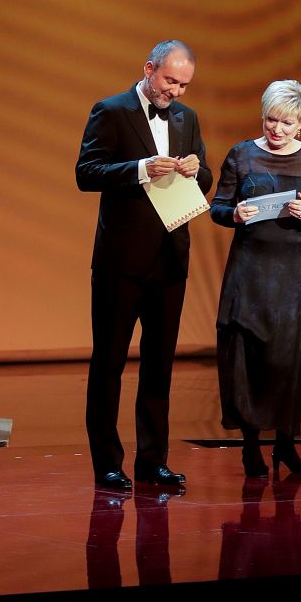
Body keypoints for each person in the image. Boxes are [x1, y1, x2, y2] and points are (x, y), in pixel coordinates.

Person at [75, 40, 211, 492]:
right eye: (170, 81)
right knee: (109, 363)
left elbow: (205, 177)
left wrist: (197, 170)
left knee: (159, 366)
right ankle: (107, 464)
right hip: (121, 260)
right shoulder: (111, 111)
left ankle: (154, 461)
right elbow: (86, 172)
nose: (176, 91)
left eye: (184, 85)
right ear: (149, 68)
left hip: (170, 259)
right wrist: (139, 169)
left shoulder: (187, 118)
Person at [210, 79, 301, 477]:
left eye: (287, 123)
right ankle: (251, 446)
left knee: (290, 359)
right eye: (271, 120)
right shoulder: (241, 155)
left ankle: (285, 444)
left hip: (295, 275)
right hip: (251, 271)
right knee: (250, 356)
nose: (277, 129)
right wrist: (234, 214)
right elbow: (217, 206)